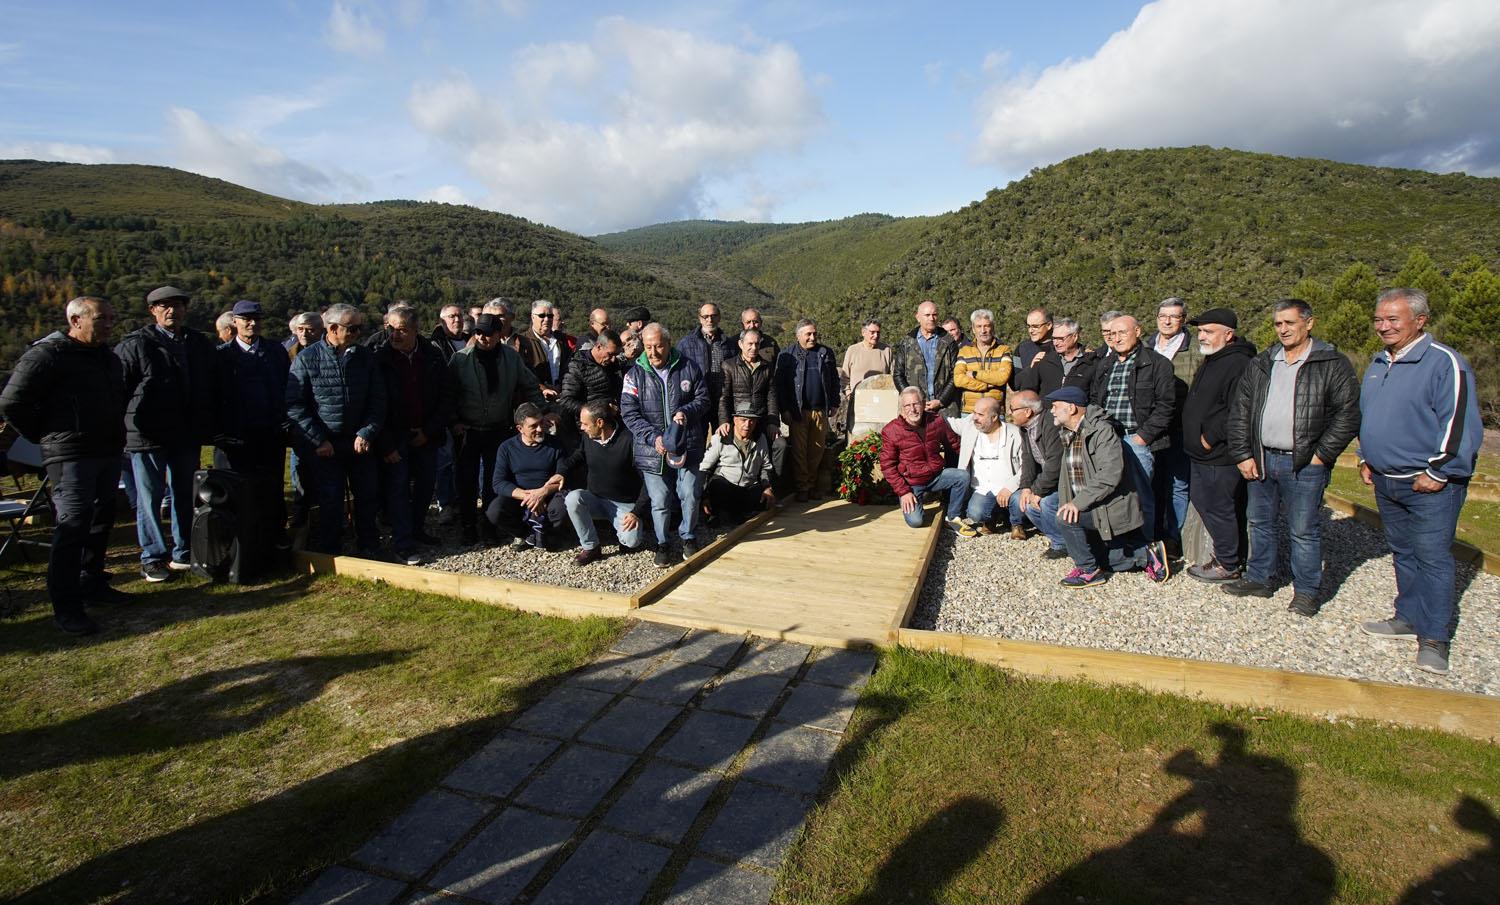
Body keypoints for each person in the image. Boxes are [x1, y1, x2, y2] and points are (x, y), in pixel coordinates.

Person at [1357, 288, 1482, 676]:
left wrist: (1438, 471)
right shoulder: (1379, 362)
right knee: (1403, 551)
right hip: (1386, 479)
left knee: (1432, 558)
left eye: (1393, 319)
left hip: (1428, 484)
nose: (1383, 326)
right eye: (1379, 319)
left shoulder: (1445, 363)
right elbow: (1370, 415)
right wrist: (1365, 456)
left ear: (1420, 320)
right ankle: (1408, 616)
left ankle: (1434, 639)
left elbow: (1458, 424)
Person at [0, 297, 130, 633]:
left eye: (111, 319)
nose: (108, 325)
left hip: (106, 450)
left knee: (101, 520)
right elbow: (12, 401)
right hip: (70, 456)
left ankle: (93, 583)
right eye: (101, 318)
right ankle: (66, 606)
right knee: (72, 526)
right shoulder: (47, 356)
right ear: (76, 320)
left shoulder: (106, 357)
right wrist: (46, 435)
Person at [1225, 298, 1360, 615]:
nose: (1283, 329)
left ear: (1309, 323)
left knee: (1303, 529)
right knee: (1259, 523)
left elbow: (1348, 414)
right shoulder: (1263, 362)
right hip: (1261, 458)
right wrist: (1244, 453)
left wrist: (1321, 454)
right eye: (1278, 324)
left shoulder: (1331, 363)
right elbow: (1241, 411)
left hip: (1303, 462)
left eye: (1289, 323)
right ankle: (1260, 577)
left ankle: (1307, 590)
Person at [286, 303, 386, 558]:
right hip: (325, 446)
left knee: (367, 497)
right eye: (352, 328)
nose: (358, 333)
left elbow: (378, 400)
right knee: (330, 500)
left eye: (359, 328)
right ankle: (330, 552)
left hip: (359, 443)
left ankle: (369, 547)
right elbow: (295, 405)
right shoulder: (306, 359)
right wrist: (318, 439)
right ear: (332, 328)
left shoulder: (365, 358)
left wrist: (367, 432)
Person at [1048, 386, 1169, 588]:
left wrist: (1076, 504)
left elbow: (1110, 474)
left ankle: (1089, 571)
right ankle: (1145, 555)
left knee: (1065, 519)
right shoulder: (1070, 433)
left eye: (1055, 406)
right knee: (1101, 558)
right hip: (1091, 504)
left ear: (1071, 408)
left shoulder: (1102, 431)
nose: (1051, 411)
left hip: (1109, 506)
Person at [449, 313, 544, 545]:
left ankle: (489, 526)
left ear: (498, 335)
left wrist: (541, 412)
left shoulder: (511, 359)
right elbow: (446, 393)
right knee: (466, 481)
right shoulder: (460, 360)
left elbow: (530, 385)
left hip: (498, 429)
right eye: (478, 333)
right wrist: (453, 421)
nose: (482, 338)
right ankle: (468, 526)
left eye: (487, 334)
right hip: (468, 430)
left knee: (494, 481)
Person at [621, 323, 710, 566]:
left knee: (690, 494)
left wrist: (686, 412)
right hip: (652, 449)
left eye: (658, 346)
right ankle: (662, 542)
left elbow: (703, 399)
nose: (653, 352)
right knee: (659, 501)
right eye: (648, 347)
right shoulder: (634, 375)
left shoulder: (689, 367)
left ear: (669, 344)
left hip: (686, 444)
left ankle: (689, 536)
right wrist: (653, 437)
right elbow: (629, 414)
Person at [1180, 309, 1256, 583]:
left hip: (1218, 453)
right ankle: (1229, 557)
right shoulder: (1214, 358)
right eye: (1200, 331)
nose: (1202, 336)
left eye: (1209, 331)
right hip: (1201, 452)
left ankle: (1229, 563)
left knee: (1220, 507)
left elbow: (1236, 408)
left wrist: (1209, 437)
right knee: (1205, 502)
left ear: (1228, 334)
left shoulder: (1238, 363)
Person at [1088, 311, 1176, 542]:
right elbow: (1096, 399)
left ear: (1137, 332)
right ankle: (1117, 544)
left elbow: (1166, 405)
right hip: (1108, 439)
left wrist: (1143, 437)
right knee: (1110, 492)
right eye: (1113, 334)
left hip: (1136, 440)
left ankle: (1145, 545)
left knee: (1141, 494)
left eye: (1122, 333)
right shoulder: (1105, 364)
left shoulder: (1157, 364)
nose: (1117, 338)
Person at [374, 306, 452, 566]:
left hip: (426, 436)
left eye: (402, 330)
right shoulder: (379, 359)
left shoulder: (432, 356)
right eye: (391, 329)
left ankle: (417, 528)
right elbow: (375, 404)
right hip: (394, 437)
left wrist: (428, 431)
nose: (395, 335)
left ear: (416, 330)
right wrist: (386, 443)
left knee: (425, 486)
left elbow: (445, 397)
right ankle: (403, 543)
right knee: (397, 490)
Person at [212, 298, 293, 544]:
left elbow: (286, 387)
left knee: (271, 487)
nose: (252, 324)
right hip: (236, 436)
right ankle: (238, 539)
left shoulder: (275, 351)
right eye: (246, 319)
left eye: (256, 319)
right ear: (234, 322)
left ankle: (275, 536)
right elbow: (214, 395)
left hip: (270, 432)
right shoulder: (221, 356)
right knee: (235, 489)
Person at [1146, 297, 1202, 549]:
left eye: (1174, 316)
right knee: (1152, 480)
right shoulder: (1147, 345)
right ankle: (1152, 530)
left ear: (1183, 319)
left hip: (1180, 426)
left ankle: (1173, 537)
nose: (1167, 321)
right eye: (1163, 316)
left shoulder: (1195, 348)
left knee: (1178, 483)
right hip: (1150, 427)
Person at [561, 400, 646, 565]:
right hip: (596, 498)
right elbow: (579, 456)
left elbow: (648, 481)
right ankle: (591, 546)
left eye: (585, 424)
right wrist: (561, 472)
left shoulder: (630, 441)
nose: (582, 427)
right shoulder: (588, 437)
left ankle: (626, 531)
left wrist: (637, 511)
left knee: (632, 541)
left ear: (599, 422)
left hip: (625, 504)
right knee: (572, 498)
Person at [878, 386, 970, 531]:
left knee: (962, 476)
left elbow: (954, 444)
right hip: (912, 483)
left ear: (923, 403)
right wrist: (904, 492)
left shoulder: (936, 421)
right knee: (916, 521)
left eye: (916, 404)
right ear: (902, 408)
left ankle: (952, 517)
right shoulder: (892, 431)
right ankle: (912, 499)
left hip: (937, 476)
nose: (912, 409)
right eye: (907, 405)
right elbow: (887, 466)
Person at [775, 319, 839, 501]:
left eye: (814, 333)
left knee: (817, 450)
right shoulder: (787, 355)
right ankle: (802, 487)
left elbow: (834, 379)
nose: (813, 337)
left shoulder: (825, 352)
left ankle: (811, 484)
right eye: (808, 334)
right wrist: (784, 409)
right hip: (797, 411)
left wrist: (834, 403)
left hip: (819, 410)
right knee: (799, 451)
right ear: (798, 336)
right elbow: (780, 386)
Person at [488, 402, 567, 550]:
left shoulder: (555, 445)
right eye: (533, 426)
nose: (540, 429)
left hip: (547, 495)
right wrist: (529, 497)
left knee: (561, 508)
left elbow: (561, 477)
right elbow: (498, 482)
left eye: (541, 423)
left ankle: (550, 533)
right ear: (520, 429)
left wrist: (543, 492)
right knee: (495, 511)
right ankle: (523, 533)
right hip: (521, 496)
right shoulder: (507, 448)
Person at [949, 396, 1024, 534]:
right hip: (983, 489)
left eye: (980, 414)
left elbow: (1026, 468)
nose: (974, 418)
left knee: (1020, 501)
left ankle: (1016, 523)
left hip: (1011, 488)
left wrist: (1009, 487)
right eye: (974, 413)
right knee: (975, 513)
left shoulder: (1015, 433)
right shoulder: (970, 428)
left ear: (994, 417)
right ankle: (994, 515)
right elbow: (947, 422)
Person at [1007, 390, 1067, 557]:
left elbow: (1055, 464)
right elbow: (1028, 460)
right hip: (1047, 478)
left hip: (1064, 480)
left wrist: (1038, 491)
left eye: (1012, 409)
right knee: (1022, 501)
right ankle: (1061, 537)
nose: (1009, 412)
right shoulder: (1025, 428)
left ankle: (1061, 544)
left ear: (1027, 411)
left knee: (1046, 503)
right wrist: (1026, 487)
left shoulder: (1051, 425)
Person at [701, 409, 777, 524]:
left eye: (752, 421)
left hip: (748, 486)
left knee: (763, 498)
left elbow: (766, 467)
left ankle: (736, 515)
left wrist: (767, 487)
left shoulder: (760, 438)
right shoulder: (721, 437)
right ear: (735, 420)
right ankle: (722, 514)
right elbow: (704, 469)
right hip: (726, 485)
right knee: (717, 486)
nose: (747, 425)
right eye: (743, 420)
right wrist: (704, 496)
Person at [677, 302, 737, 433]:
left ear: (719, 317)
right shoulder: (686, 344)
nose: (710, 320)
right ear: (700, 318)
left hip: (722, 400)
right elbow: (679, 374)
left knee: (723, 441)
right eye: (706, 316)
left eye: (713, 316)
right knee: (698, 442)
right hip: (697, 400)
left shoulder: (730, 344)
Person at [892, 300, 959, 417]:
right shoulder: (907, 343)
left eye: (934, 315)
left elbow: (956, 373)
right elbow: (898, 374)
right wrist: (912, 400)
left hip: (945, 408)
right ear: (918, 317)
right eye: (927, 315)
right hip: (915, 409)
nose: (931, 318)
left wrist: (941, 400)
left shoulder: (948, 341)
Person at [952, 309, 1013, 415]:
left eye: (987, 326)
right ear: (973, 329)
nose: (983, 330)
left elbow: (1002, 377)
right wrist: (984, 385)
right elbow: (958, 380)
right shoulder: (964, 352)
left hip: (995, 410)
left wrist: (975, 374)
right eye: (979, 326)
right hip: (970, 412)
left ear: (992, 327)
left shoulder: (1004, 350)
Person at [557, 328, 624, 424]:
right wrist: (600, 411)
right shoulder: (577, 366)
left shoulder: (614, 365)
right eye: (610, 354)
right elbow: (567, 401)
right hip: (590, 425)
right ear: (599, 347)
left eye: (616, 355)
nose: (613, 359)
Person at [719, 329, 779, 433]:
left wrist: (773, 422)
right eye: (750, 344)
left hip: (761, 419)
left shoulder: (767, 367)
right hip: (738, 421)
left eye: (757, 344)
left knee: (780, 445)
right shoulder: (728, 366)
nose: (754, 348)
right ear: (740, 344)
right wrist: (724, 421)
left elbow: (771, 396)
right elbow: (724, 397)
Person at [1026, 316, 1098, 397]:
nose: (1056, 343)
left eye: (1061, 339)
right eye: (1054, 338)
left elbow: (1095, 396)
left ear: (1075, 337)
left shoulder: (1091, 363)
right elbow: (1028, 391)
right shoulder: (1044, 361)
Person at [516, 299, 569, 399]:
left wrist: (562, 386)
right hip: (536, 398)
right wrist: (543, 388)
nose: (546, 319)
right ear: (533, 317)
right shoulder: (523, 341)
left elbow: (569, 366)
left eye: (550, 316)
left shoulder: (561, 340)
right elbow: (524, 372)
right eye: (542, 316)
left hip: (561, 396)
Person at [1009, 306, 1054, 391]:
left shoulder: (1061, 347)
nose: (1031, 330)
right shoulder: (1021, 349)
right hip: (1030, 402)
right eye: (1029, 326)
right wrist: (1030, 368)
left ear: (1049, 325)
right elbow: (1014, 384)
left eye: (1035, 326)